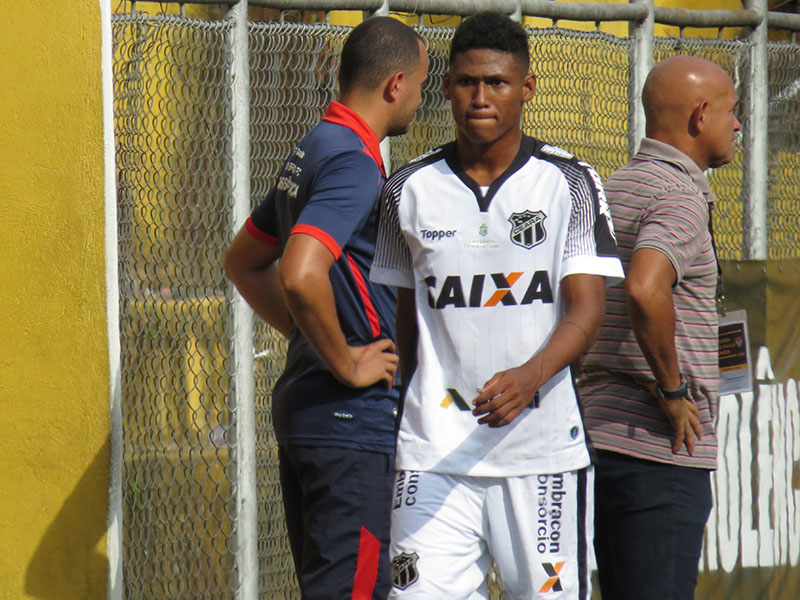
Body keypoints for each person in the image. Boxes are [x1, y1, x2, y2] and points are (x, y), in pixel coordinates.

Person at [370, 12, 623, 600]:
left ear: (527, 88)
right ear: (446, 87)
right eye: (466, 82)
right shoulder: (406, 189)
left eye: (497, 83)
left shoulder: (570, 183)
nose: (480, 98)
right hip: (434, 454)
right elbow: (408, 320)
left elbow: (586, 312)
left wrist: (530, 375)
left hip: (541, 458)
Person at [224, 17, 428, 600]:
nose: (419, 96)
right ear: (394, 84)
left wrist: (315, 337)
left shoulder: (316, 143)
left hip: (311, 414)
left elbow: (243, 261)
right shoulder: (353, 163)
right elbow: (299, 270)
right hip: (350, 419)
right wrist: (344, 360)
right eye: (418, 83)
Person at [579, 56, 741, 600]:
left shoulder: (615, 185)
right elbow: (647, 288)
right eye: (731, 111)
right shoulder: (679, 196)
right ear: (700, 116)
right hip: (657, 448)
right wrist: (673, 393)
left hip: (600, 439)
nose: (737, 125)